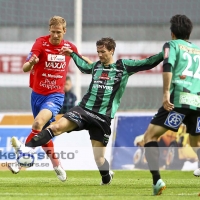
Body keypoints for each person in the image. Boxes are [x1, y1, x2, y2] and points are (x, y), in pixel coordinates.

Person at [12, 37, 163, 185]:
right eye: (98, 52)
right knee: (56, 127)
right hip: (83, 110)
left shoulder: (123, 66)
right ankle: (27, 150)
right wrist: (71, 54)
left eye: (103, 51)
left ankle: (106, 176)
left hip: (102, 118)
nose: (100, 55)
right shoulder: (96, 66)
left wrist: (164, 54)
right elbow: (84, 66)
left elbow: (147, 63)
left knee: (99, 160)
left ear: (112, 51)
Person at [8, 15, 92, 182]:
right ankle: (56, 164)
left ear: (64, 31)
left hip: (55, 96)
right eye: (53, 32)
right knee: (43, 131)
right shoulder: (40, 43)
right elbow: (25, 67)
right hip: (37, 95)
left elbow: (86, 63)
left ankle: (22, 158)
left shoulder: (69, 47)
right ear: (49, 31)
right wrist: (32, 62)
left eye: (58, 32)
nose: (55, 35)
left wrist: (93, 63)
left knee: (38, 123)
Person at [141, 14, 200, 195]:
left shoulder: (171, 45)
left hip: (179, 99)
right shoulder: (197, 50)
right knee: (195, 142)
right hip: (197, 101)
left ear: (172, 33)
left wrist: (166, 93)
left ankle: (157, 180)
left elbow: (168, 65)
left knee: (150, 137)